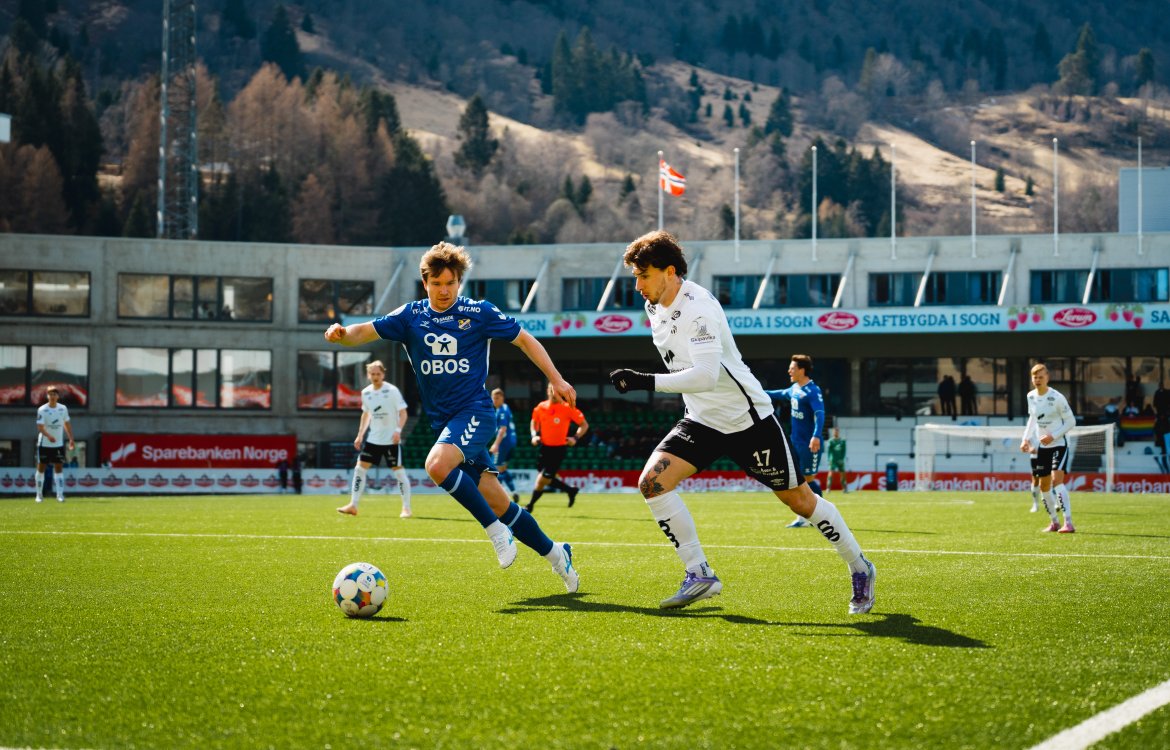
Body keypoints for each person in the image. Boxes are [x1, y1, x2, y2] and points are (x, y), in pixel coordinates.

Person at [607, 230, 875, 614]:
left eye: (643, 275)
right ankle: (699, 573)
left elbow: (705, 376)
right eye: (635, 276)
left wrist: (644, 381)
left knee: (800, 501)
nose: (637, 286)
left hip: (747, 421)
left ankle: (860, 566)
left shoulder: (699, 308)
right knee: (652, 483)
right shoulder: (654, 306)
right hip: (701, 420)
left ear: (670, 271)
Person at [325, 241, 578, 593]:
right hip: (445, 424)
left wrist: (557, 379)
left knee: (436, 465)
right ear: (425, 283)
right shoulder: (410, 317)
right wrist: (341, 335)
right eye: (437, 283)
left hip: (476, 412)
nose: (444, 291)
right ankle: (556, 554)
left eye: (451, 283)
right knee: (499, 503)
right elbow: (362, 331)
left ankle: (496, 533)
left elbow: (525, 340)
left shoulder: (479, 312)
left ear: (459, 281)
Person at [336, 360, 413, 518]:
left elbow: (403, 413)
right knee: (359, 469)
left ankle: (406, 508)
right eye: (372, 374)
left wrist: (398, 431)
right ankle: (353, 505)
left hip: (391, 440)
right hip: (373, 440)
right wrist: (360, 435)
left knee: (399, 473)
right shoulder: (366, 393)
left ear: (383, 374)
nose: (375, 376)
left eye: (378, 373)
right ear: (368, 375)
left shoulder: (392, 391)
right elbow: (366, 414)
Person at [765, 354, 826, 527]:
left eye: (792, 368)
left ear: (802, 370)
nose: (789, 371)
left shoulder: (813, 391)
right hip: (795, 443)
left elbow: (820, 414)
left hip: (809, 444)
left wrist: (816, 435)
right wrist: (755, 391)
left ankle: (821, 517)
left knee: (808, 479)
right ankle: (803, 518)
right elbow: (778, 394)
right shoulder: (795, 389)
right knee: (798, 481)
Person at [1020, 363, 1076, 533]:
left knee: (1056, 480)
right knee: (1043, 486)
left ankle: (1068, 523)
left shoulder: (1057, 397)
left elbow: (1071, 421)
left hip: (1059, 444)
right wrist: (1025, 439)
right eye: (1035, 377)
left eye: (1041, 377)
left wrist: (1053, 436)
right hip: (1042, 448)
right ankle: (1054, 522)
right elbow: (1032, 419)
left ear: (1047, 378)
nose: (1038, 380)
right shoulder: (1030, 396)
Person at [526, 383, 588, 512]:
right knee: (545, 479)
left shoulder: (568, 408)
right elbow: (534, 421)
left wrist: (575, 438)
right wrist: (534, 435)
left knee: (541, 479)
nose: (555, 394)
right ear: (548, 391)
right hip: (544, 448)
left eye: (558, 392)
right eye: (552, 391)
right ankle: (570, 490)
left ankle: (529, 506)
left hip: (558, 450)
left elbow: (584, 425)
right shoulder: (541, 407)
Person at [35, 386, 75, 503]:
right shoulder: (42, 409)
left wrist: (71, 438)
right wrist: (48, 436)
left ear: (58, 396)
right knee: (41, 468)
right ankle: (39, 495)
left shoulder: (63, 408)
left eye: (54, 394)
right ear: (47, 396)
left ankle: (60, 495)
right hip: (44, 443)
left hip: (58, 444)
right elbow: (40, 427)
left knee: (59, 468)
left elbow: (66, 424)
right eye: (50, 394)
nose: (52, 396)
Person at [488, 388, 521, 504]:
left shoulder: (501, 411)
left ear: (502, 398)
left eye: (497, 398)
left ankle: (503, 497)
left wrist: (496, 444)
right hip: (511, 443)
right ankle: (514, 491)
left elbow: (502, 429)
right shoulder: (505, 408)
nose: (495, 400)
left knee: (494, 469)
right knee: (502, 469)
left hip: (504, 443)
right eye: (493, 398)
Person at [825, 427, 849, 494]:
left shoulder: (842, 441)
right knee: (830, 473)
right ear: (833, 432)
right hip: (833, 460)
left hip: (840, 460)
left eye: (837, 431)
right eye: (835, 431)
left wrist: (842, 459)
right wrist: (829, 459)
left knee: (843, 474)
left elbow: (844, 451)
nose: (836, 432)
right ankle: (828, 489)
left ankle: (845, 489)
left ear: (838, 432)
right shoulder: (830, 441)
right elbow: (829, 452)